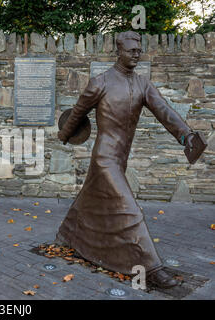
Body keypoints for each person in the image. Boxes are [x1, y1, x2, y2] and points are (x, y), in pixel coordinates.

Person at [56, 31, 197, 288]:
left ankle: (70, 236)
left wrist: (185, 135)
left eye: (138, 50)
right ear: (118, 51)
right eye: (131, 50)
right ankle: (151, 269)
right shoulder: (100, 82)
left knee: (91, 201)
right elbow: (77, 113)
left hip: (121, 159)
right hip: (105, 158)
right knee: (130, 211)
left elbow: (165, 111)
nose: (136, 54)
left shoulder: (143, 85)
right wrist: (64, 134)